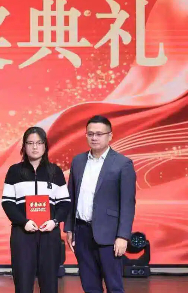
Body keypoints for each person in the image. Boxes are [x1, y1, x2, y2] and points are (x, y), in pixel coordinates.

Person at [64, 115, 136, 293]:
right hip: (82, 233)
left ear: (110, 136)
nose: (94, 138)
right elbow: (71, 197)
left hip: (110, 236)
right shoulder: (78, 161)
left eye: (99, 134)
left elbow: (128, 204)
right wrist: (69, 228)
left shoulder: (123, 164)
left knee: (114, 286)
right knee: (89, 286)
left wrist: (123, 236)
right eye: (90, 134)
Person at [1, 127, 70, 293]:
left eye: (39, 143)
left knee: (49, 283)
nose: (34, 147)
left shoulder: (55, 172)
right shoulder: (14, 171)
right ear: (24, 146)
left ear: (45, 145)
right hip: (22, 233)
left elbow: (65, 203)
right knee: (23, 283)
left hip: (49, 233)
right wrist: (23, 222)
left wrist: (54, 221)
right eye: (30, 143)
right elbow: (7, 202)